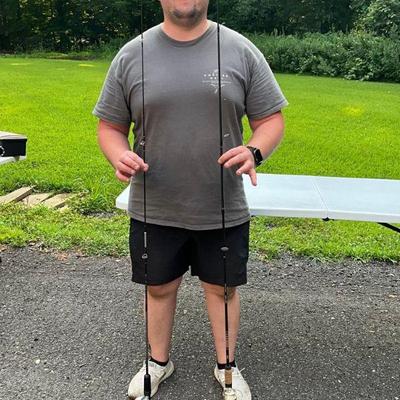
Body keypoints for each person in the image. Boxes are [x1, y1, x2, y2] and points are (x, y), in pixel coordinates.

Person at [93, 1, 288, 398]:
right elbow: (110, 126)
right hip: (155, 204)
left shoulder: (240, 50)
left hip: (222, 204)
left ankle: (227, 368)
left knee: (222, 289)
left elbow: (270, 119)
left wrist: (254, 151)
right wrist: (118, 155)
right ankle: (157, 362)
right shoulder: (131, 54)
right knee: (158, 287)